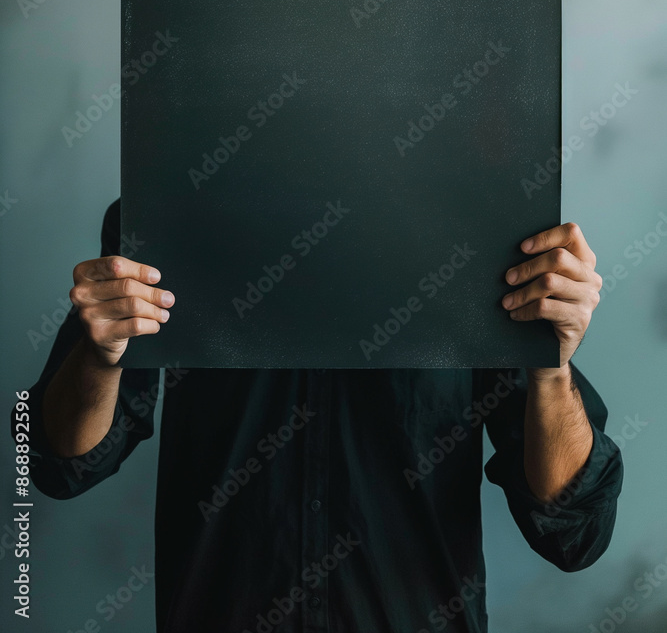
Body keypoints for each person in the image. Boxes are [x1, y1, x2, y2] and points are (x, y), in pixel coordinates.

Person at [12, 199, 623, 632]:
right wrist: (100, 354)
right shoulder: (167, 208)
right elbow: (56, 463)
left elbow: (573, 532)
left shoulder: (479, 231)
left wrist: (550, 366)